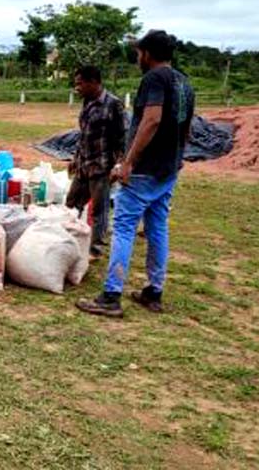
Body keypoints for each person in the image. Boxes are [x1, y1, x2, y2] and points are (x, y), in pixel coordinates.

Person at [76, 30, 195, 318]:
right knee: (157, 228)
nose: (137, 58)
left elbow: (151, 120)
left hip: (144, 169)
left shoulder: (154, 79)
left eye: (138, 53)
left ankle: (111, 295)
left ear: (147, 54)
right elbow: (187, 124)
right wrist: (179, 155)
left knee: (124, 227)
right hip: (167, 169)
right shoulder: (184, 82)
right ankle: (153, 291)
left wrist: (128, 162)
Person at [66, 65, 126, 258]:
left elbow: (122, 138)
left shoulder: (113, 104)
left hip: (101, 166)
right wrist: (75, 158)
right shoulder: (87, 101)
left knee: (99, 209)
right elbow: (84, 134)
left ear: (93, 82)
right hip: (83, 164)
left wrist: (119, 164)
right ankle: (70, 238)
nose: (77, 88)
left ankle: (95, 248)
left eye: (80, 84)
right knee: (71, 203)